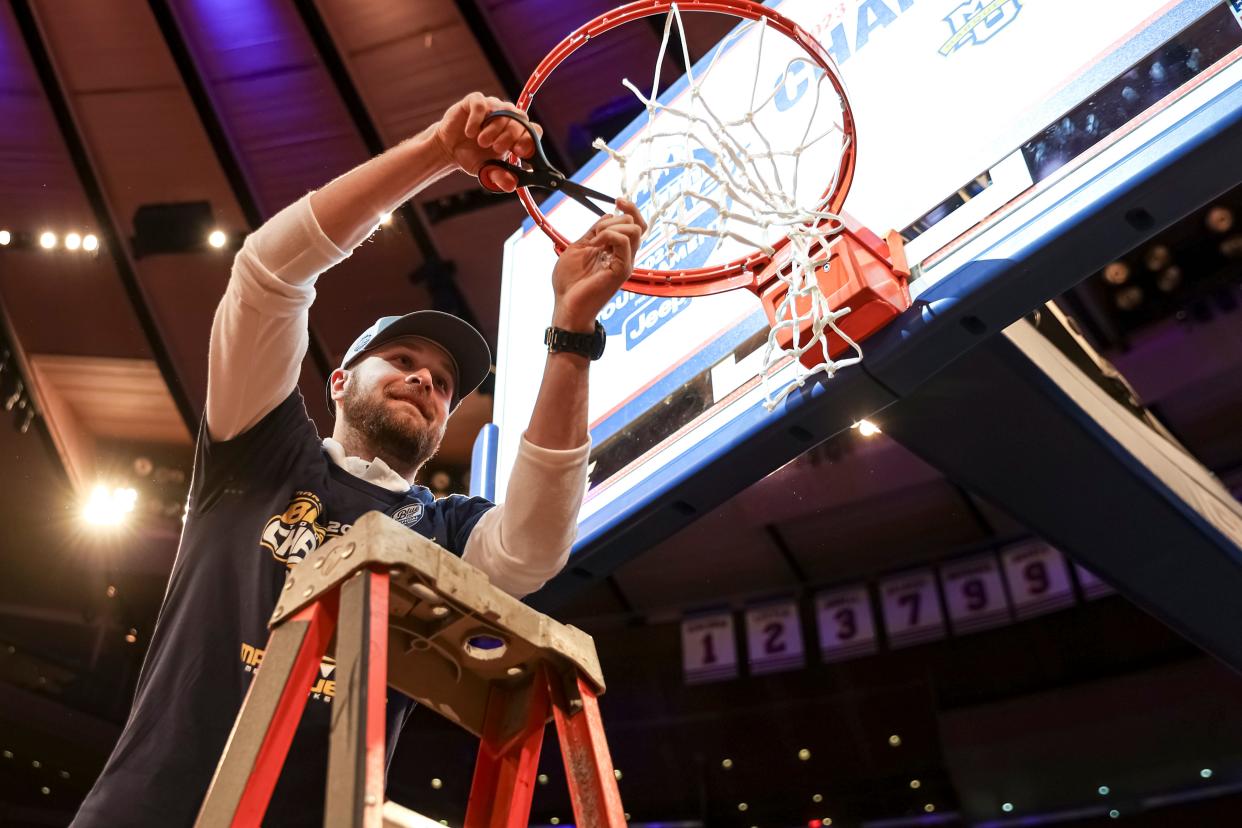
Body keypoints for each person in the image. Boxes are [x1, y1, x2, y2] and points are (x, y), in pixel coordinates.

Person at [71, 92, 646, 827]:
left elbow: (535, 547)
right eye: (402, 360)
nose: (425, 383)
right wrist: (440, 150)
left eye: (442, 386)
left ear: (444, 425)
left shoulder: (441, 529)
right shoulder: (260, 451)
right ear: (338, 380)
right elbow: (267, 272)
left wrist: (571, 332)